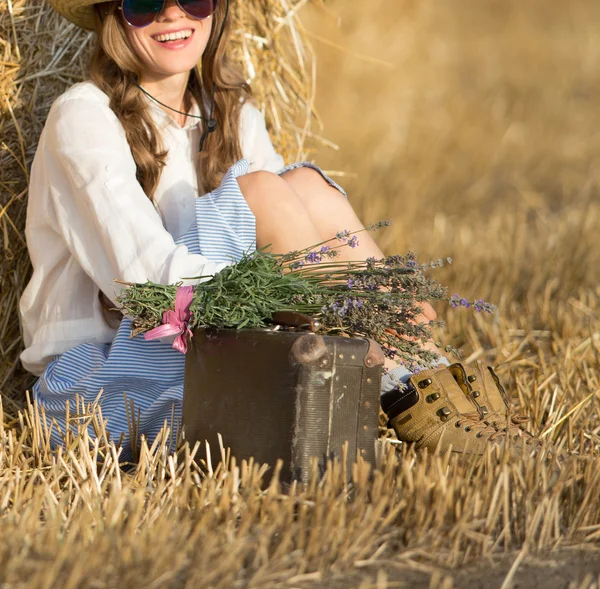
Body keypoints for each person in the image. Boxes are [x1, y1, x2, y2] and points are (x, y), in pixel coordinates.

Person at [20, 0, 535, 460]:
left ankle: (422, 374)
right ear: (113, 15)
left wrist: (375, 300)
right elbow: (147, 282)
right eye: (145, 1)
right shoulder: (83, 117)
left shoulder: (230, 112)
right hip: (112, 371)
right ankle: (407, 382)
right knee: (265, 190)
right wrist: (340, 306)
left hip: (214, 337)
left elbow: (293, 226)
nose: (173, 13)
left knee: (303, 185)